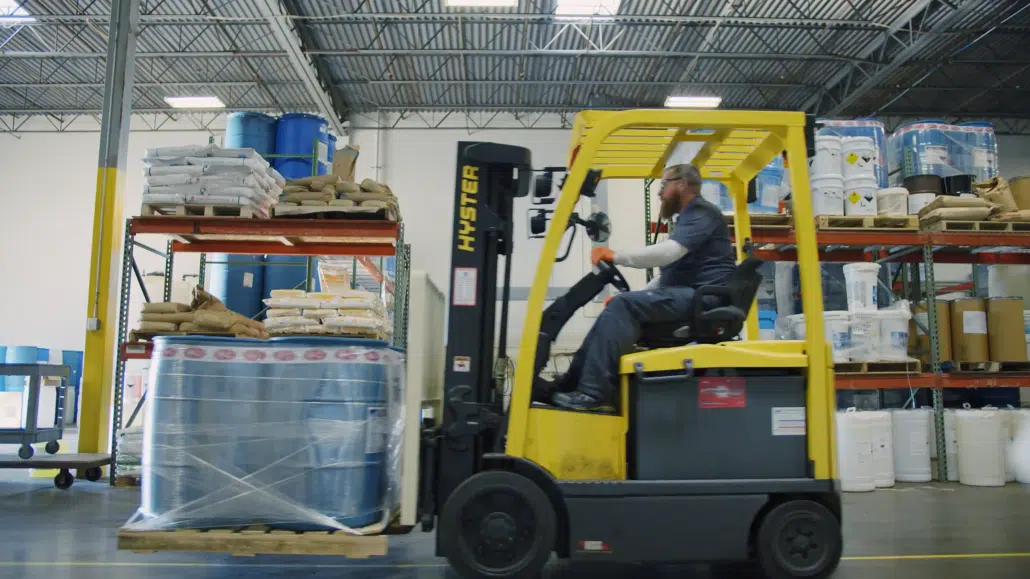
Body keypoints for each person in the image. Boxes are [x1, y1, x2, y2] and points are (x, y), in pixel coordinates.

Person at [545, 163, 738, 412]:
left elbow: (669, 252)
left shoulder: (702, 212)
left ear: (681, 184)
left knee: (624, 305)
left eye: (664, 184)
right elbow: (668, 274)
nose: (660, 192)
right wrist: (636, 295)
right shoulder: (688, 218)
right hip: (693, 295)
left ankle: (593, 393)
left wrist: (616, 255)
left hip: (704, 299)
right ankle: (570, 383)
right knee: (618, 307)